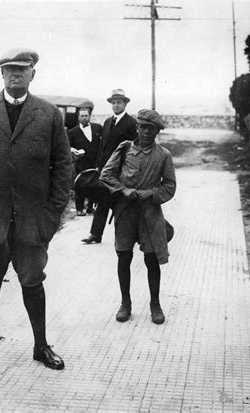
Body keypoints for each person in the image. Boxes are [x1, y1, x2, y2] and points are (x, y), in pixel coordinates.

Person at [0, 48, 72, 374]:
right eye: (8, 70)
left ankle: (41, 346)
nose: (15, 75)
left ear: (33, 73)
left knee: (33, 280)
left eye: (22, 69)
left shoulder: (48, 115)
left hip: (33, 221)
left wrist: (53, 211)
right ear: (1, 74)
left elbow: (64, 166)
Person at [100, 109, 176, 324]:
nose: (145, 132)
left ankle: (155, 304)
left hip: (150, 214)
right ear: (137, 127)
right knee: (123, 256)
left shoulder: (164, 155)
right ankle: (125, 303)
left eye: (150, 128)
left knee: (151, 259)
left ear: (157, 131)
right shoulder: (125, 148)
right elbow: (106, 174)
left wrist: (149, 193)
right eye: (142, 127)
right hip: (125, 212)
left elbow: (169, 187)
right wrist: (123, 190)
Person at [81, 89, 137, 244]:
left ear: (125, 104)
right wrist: (98, 166)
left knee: (121, 204)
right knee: (103, 201)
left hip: (121, 171)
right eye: (113, 103)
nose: (116, 105)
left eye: (119, 102)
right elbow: (102, 147)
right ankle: (96, 234)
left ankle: (128, 235)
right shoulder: (107, 123)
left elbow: (134, 150)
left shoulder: (131, 124)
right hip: (106, 171)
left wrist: (129, 171)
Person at [67, 107, 102, 216]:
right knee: (80, 185)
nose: (84, 118)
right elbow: (68, 146)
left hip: (94, 162)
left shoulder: (97, 128)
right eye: (82, 116)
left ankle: (90, 208)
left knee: (94, 184)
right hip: (81, 163)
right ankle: (79, 208)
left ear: (89, 116)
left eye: (86, 115)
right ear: (78, 117)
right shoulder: (73, 132)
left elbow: (102, 143)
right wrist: (74, 151)